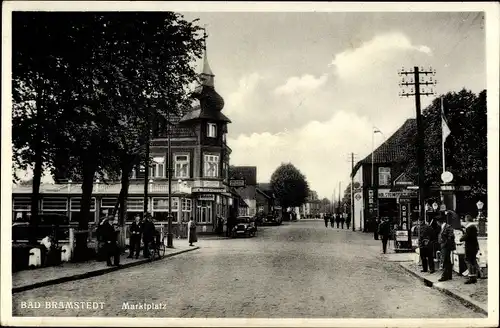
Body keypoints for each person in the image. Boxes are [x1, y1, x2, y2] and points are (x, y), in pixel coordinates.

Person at [460, 214, 480, 284]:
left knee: (468, 260)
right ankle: (475, 275)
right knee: (473, 260)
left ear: (467, 219)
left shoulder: (469, 228)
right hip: (474, 246)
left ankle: (471, 277)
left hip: (469, 247)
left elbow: (466, 236)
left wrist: (461, 238)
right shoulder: (474, 227)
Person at [437, 214, 456, 282]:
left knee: (445, 260)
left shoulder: (447, 227)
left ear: (439, 222)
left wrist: (445, 243)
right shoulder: (444, 227)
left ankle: (444, 276)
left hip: (446, 246)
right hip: (444, 246)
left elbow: (451, 237)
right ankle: (449, 275)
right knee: (447, 260)